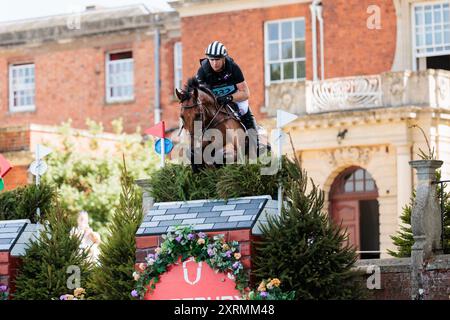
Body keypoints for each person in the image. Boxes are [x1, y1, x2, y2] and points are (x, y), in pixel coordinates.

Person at [196, 41, 259, 152]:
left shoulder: (233, 68)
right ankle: (197, 147)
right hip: (214, 102)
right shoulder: (202, 71)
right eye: (211, 60)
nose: (215, 64)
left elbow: (245, 93)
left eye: (218, 59)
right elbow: (200, 96)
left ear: (224, 58)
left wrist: (229, 98)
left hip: (233, 97)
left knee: (244, 110)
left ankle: (255, 144)